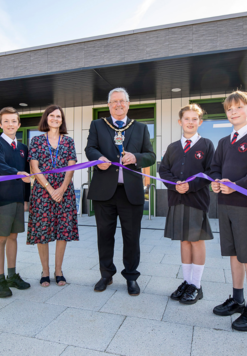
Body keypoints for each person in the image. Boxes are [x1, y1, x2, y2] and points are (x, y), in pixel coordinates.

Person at [85, 87, 156, 296]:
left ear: (128, 104)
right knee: (104, 236)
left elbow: (150, 156)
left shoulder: (141, 128)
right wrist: (98, 159)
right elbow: (90, 148)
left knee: (132, 237)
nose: (118, 105)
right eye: (114, 101)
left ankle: (131, 277)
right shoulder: (97, 125)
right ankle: (106, 274)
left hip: (131, 191)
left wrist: (136, 158)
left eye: (122, 101)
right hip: (103, 192)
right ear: (108, 105)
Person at [210, 90, 247, 331]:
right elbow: (215, 167)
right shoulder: (225, 142)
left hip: (245, 206)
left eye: (238, 107)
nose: (233, 112)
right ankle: (237, 299)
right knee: (234, 254)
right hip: (224, 205)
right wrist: (216, 181)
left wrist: (237, 185)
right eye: (229, 109)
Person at [159, 104, 214, 305]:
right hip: (176, 199)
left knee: (196, 240)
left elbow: (210, 172)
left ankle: (196, 286)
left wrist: (190, 186)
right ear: (180, 121)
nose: (190, 122)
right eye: (186, 119)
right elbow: (163, 170)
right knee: (184, 240)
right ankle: (187, 281)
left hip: (196, 200)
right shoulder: (172, 147)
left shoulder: (207, 145)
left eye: (194, 119)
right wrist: (175, 185)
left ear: (200, 122)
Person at [27, 105, 79, 287]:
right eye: (52, 115)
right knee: (43, 231)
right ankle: (45, 271)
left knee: (62, 231)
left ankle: (58, 271)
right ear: (46, 118)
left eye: (58, 116)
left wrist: (62, 189)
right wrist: (50, 189)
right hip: (42, 192)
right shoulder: (36, 140)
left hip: (64, 192)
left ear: (62, 120)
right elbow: (34, 167)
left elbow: (71, 167)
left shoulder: (69, 141)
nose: (55, 118)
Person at [0, 107, 32, 298]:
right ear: (0, 124)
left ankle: (12, 275)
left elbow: (28, 175)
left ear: (19, 125)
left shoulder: (23, 149)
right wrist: (16, 173)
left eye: (14, 121)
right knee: (1, 238)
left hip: (17, 199)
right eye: (6, 121)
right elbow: (0, 166)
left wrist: (26, 199)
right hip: (3, 198)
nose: (10, 124)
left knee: (13, 237)